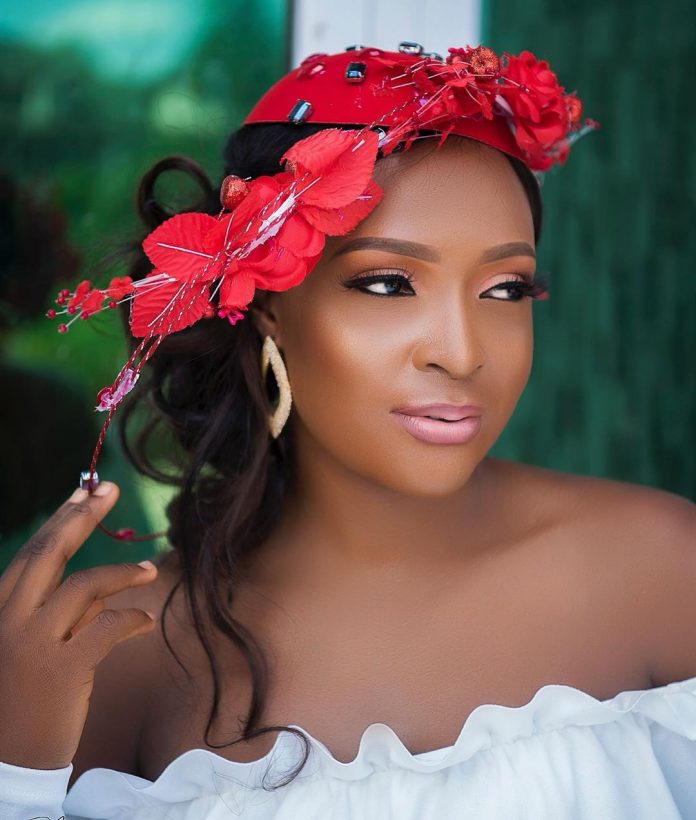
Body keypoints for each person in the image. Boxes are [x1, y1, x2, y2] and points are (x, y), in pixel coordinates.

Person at [1, 42, 695, 820]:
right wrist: (15, 778)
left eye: (506, 288)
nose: (463, 353)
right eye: (388, 284)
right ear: (268, 304)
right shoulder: (134, 656)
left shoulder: (661, 568)